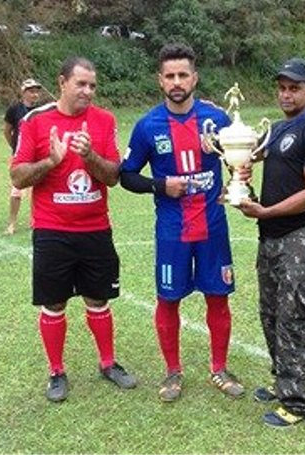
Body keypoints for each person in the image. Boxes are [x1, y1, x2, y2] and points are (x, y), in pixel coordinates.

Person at [120, 43, 244, 402]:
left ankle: (219, 369)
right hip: (172, 231)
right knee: (168, 299)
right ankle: (173, 372)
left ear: (195, 78)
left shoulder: (217, 119)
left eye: (183, 75)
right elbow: (127, 176)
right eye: (170, 76)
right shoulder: (147, 126)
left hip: (213, 226)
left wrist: (238, 177)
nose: (177, 82)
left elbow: (237, 158)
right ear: (160, 80)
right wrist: (161, 186)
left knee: (218, 297)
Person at [10, 56, 137, 403]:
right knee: (54, 302)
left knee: (99, 298)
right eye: (81, 84)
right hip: (52, 230)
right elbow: (17, 176)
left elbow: (112, 177)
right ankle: (56, 371)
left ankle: (108, 363)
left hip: (95, 228)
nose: (88, 91)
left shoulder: (104, 120)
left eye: (92, 85)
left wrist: (90, 155)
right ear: (62, 82)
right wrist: (52, 161)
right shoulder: (35, 120)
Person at [238, 58, 305, 427]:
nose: (286, 94)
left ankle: (297, 402)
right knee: (272, 314)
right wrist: (240, 165)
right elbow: (248, 156)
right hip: (270, 239)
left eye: (294, 88)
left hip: (299, 239)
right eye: (281, 88)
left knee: (297, 317)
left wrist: (266, 212)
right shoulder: (278, 129)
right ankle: (283, 380)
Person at [3, 78, 43, 235]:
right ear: (23, 92)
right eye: (31, 91)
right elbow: (7, 130)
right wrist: (14, 147)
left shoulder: (42, 110)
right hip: (20, 156)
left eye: (36, 91)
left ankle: (35, 220)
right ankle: (12, 223)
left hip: (38, 155)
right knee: (17, 190)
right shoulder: (14, 110)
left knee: (38, 189)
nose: (35, 94)